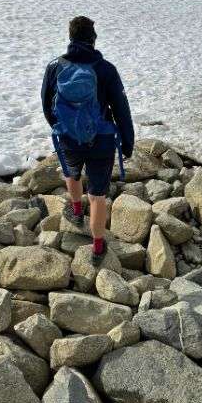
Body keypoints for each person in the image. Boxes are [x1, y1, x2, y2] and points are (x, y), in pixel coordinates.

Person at [41, 16, 134, 264]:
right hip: (102, 141)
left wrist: (63, 128)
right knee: (98, 195)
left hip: (69, 139)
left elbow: (46, 105)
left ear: (70, 38)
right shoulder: (106, 69)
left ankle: (76, 210)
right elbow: (121, 108)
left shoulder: (55, 67)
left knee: (72, 174)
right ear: (93, 38)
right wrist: (128, 143)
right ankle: (98, 247)